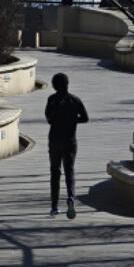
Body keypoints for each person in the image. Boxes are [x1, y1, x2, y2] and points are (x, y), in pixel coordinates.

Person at [45, 72, 88, 218]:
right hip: (70, 140)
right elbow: (85, 118)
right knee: (69, 170)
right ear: (67, 84)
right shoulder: (75, 100)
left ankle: (54, 206)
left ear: (54, 85)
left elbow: (48, 118)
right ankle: (70, 196)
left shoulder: (52, 99)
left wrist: (58, 120)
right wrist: (72, 121)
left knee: (55, 172)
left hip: (55, 139)